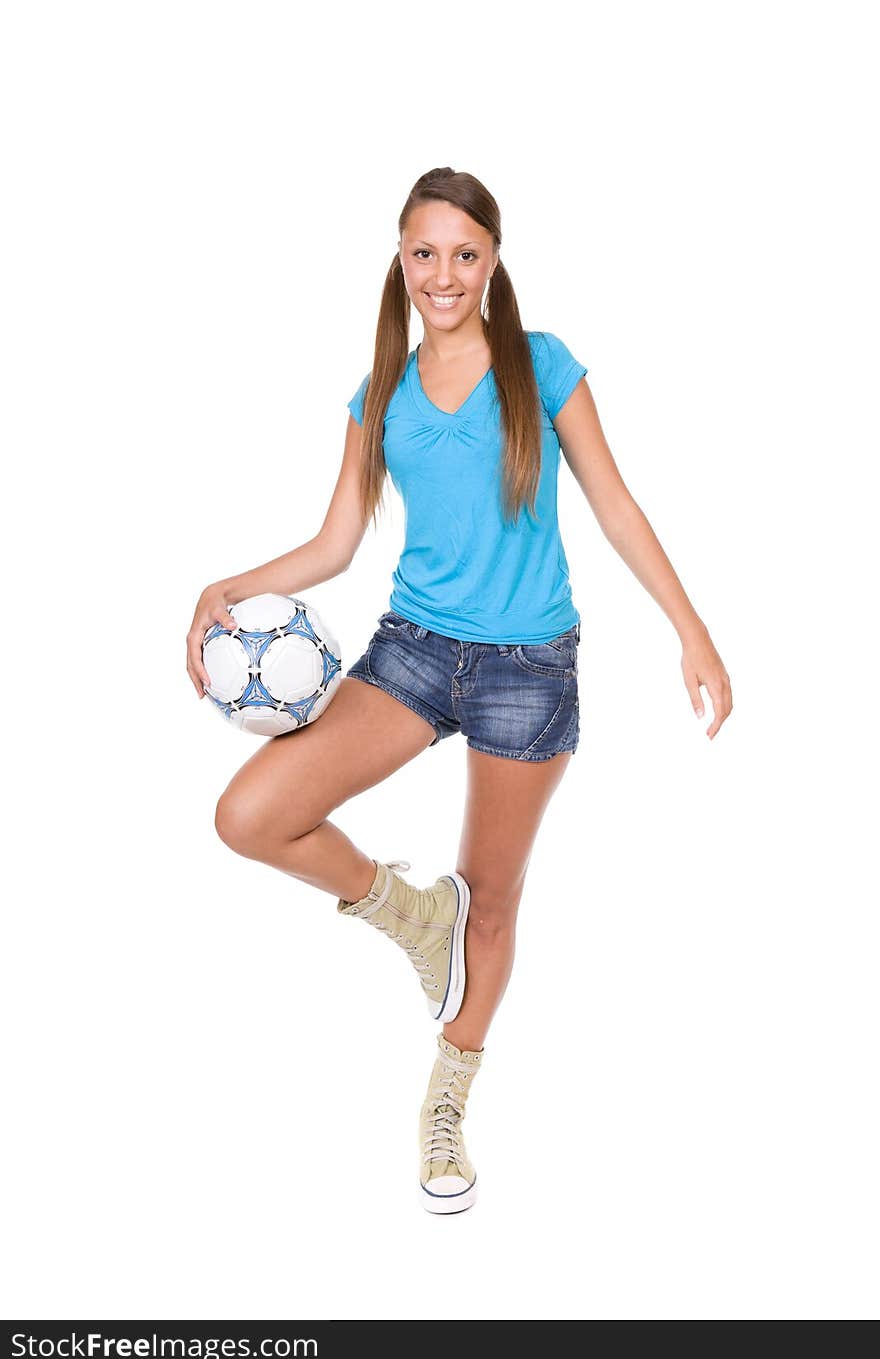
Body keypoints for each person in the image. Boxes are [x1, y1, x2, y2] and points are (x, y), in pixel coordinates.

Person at [186, 166, 733, 1216]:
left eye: (464, 253)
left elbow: (615, 506)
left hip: (528, 666)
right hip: (414, 652)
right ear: (400, 259)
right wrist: (229, 583)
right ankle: (407, 911)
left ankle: (448, 1096)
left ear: (492, 261)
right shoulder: (377, 390)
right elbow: (338, 541)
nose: (443, 273)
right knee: (250, 813)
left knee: (495, 904)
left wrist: (691, 629)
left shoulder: (540, 365)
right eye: (424, 252)